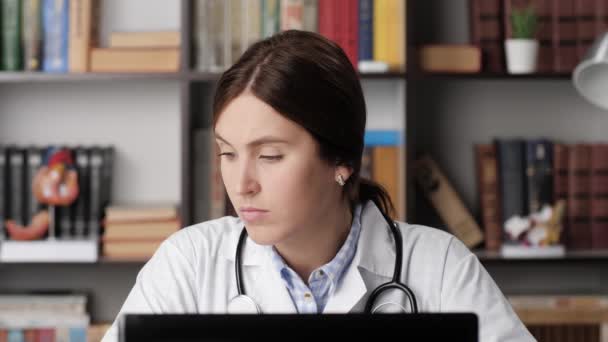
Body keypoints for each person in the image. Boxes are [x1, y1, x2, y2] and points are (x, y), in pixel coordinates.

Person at [102, 30, 535, 341]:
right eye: (227, 153)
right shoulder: (189, 264)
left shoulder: (439, 267)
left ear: (342, 160)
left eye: (269, 156)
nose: (241, 184)